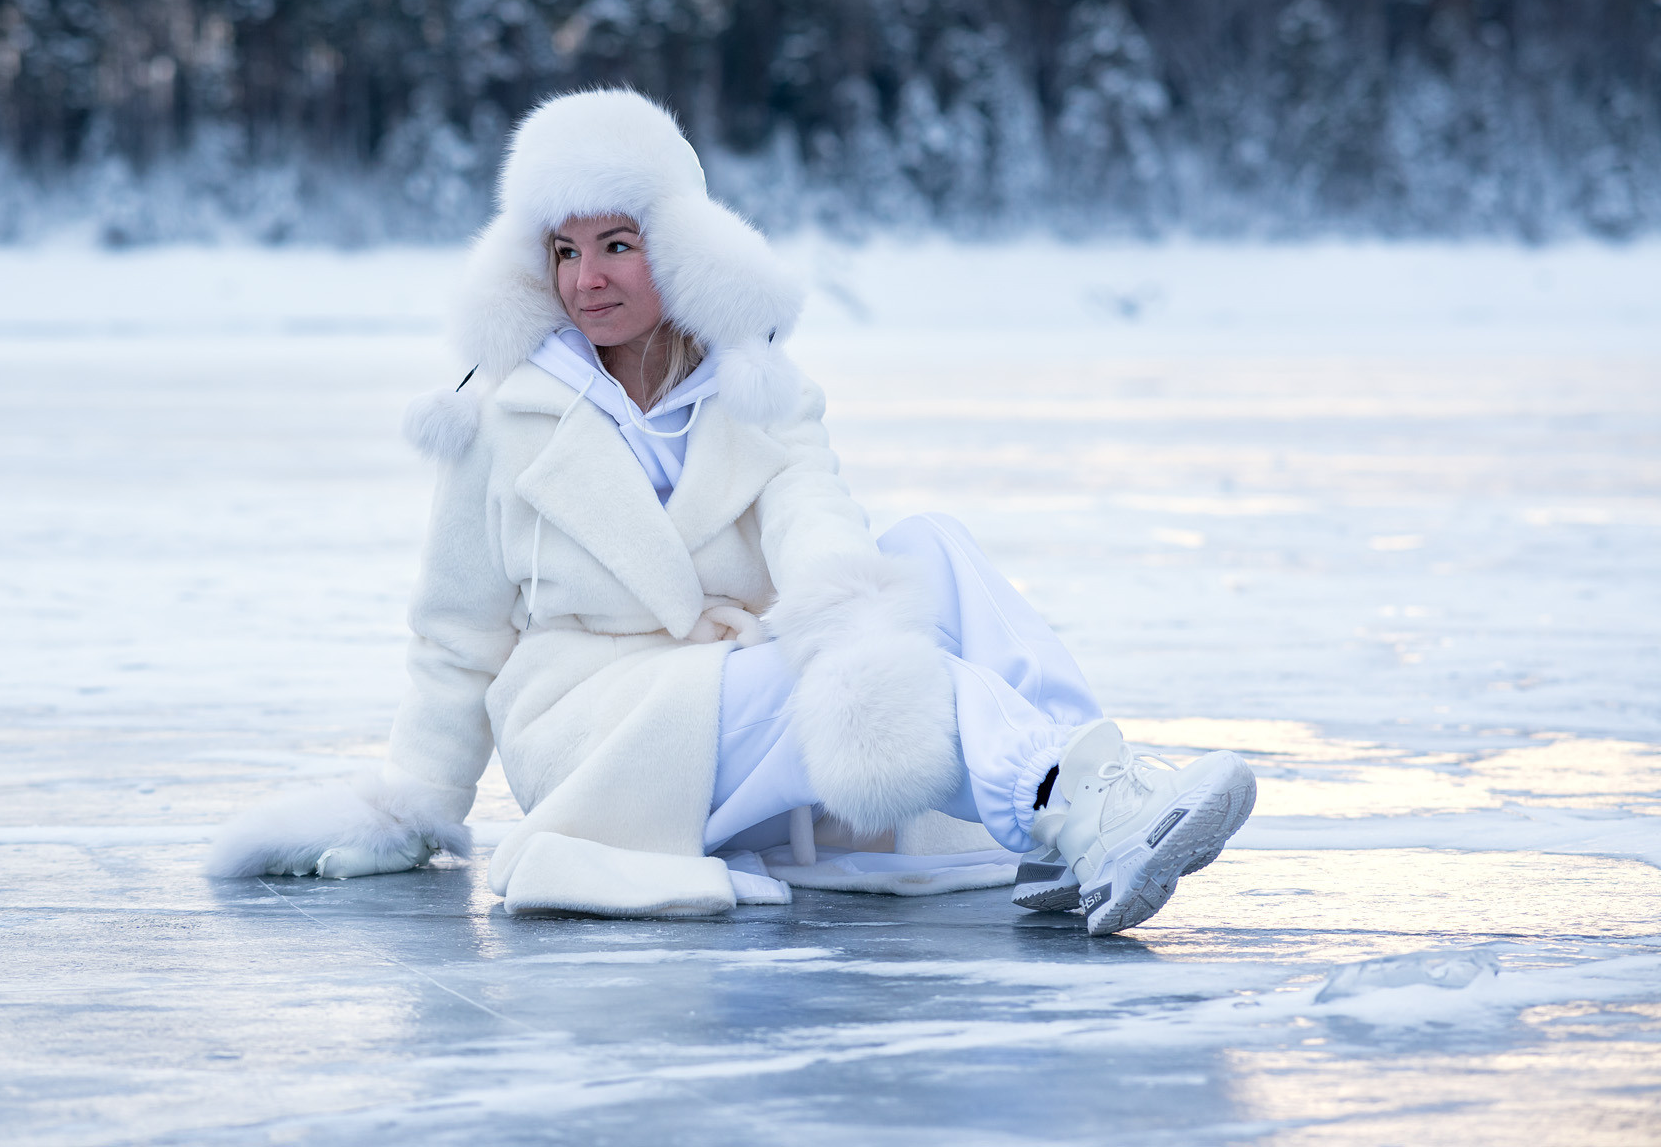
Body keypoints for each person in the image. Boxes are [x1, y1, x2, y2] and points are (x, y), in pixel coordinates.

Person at [207, 89, 1256, 935]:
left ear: (676, 244)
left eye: (615, 244)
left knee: (927, 553)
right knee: (806, 676)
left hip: (740, 695)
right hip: (608, 733)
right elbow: (455, 633)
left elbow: (818, 523)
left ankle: (1097, 787)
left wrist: (850, 634)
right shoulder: (500, 412)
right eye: (563, 252)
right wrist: (415, 802)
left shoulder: (758, 387)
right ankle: (1065, 808)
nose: (586, 279)